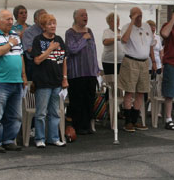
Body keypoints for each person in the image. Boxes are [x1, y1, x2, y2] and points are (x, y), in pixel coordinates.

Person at [0, 9, 27, 153]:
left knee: (15, 115)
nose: (10, 22)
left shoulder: (15, 35)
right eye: (7, 19)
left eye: (11, 19)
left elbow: (21, 56)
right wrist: (10, 44)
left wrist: (24, 76)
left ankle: (9, 140)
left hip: (16, 80)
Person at [30, 13, 67, 148]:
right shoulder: (38, 40)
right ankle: (40, 138)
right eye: (50, 24)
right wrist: (50, 49)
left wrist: (64, 78)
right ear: (43, 27)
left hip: (56, 81)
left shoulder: (59, 39)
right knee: (41, 113)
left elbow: (63, 60)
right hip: (43, 82)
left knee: (54, 112)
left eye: (54, 23)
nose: (53, 26)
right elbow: (37, 60)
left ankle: (54, 137)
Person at [119, 7, 155, 132]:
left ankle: (135, 120)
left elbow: (151, 45)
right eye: (135, 15)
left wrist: (153, 61)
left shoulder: (146, 26)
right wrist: (132, 22)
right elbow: (124, 39)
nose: (139, 17)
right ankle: (128, 121)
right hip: (131, 62)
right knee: (129, 91)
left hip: (144, 63)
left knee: (141, 91)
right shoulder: (126, 27)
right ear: (130, 16)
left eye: (140, 15)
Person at [65, 9, 99, 139]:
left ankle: (88, 124)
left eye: (86, 15)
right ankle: (78, 126)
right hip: (77, 72)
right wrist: (83, 39)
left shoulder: (89, 31)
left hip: (90, 71)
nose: (85, 17)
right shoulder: (70, 33)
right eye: (82, 15)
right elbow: (72, 49)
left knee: (89, 99)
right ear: (76, 18)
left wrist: (96, 68)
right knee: (77, 100)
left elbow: (93, 50)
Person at [22, 8, 47, 85]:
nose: (45, 19)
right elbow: (29, 49)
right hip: (33, 64)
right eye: (43, 17)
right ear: (35, 20)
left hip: (47, 64)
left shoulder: (48, 30)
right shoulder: (29, 31)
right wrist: (47, 51)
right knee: (32, 90)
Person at [101, 12, 124, 77]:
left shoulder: (122, 31)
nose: (117, 22)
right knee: (111, 81)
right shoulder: (107, 31)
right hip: (109, 61)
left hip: (121, 61)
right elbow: (105, 42)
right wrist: (116, 38)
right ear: (109, 22)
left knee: (120, 81)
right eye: (114, 21)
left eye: (118, 20)